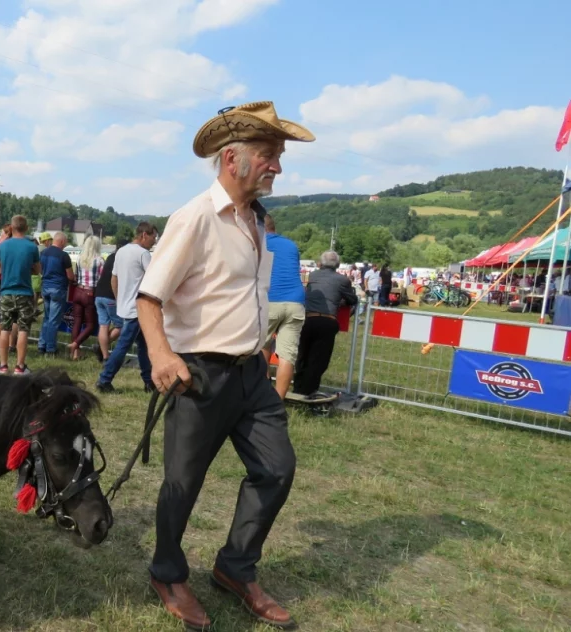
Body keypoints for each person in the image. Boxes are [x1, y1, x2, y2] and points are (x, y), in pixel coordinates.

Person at [136, 101, 312, 630]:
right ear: (231, 158)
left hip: (251, 373)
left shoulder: (254, 219)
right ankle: (167, 572)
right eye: (268, 155)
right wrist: (163, 356)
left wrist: (260, 348)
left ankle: (235, 567)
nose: (277, 166)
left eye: (278, 156)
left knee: (277, 468)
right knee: (182, 482)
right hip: (200, 375)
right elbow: (149, 297)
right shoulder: (194, 218)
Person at [95, 223, 157, 393]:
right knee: (123, 346)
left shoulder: (121, 251)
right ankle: (104, 379)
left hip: (126, 307)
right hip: (137, 309)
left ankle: (149, 381)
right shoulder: (144, 254)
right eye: (153, 237)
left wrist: (120, 299)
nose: (154, 241)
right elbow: (154, 280)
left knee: (143, 346)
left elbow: (114, 279)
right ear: (144, 234)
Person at [291, 250, 358, 400]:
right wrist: (341, 301)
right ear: (338, 264)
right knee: (319, 360)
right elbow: (352, 299)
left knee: (303, 355)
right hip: (327, 321)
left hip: (307, 319)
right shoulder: (343, 280)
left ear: (320, 263)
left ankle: (298, 388)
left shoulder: (313, 275)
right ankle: (309, 391)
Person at [262, 213, 304, 400]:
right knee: (287, 355)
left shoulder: (259, 243)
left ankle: (260, 395)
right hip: (296, 302)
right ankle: (277, 402)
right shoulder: (291, 245)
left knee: (262, 346)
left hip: (271, 300)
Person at [0, 215, 40, 375]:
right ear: (26, 228)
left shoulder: (2, 246)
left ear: (11, 228)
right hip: (25, 292)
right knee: (23, 330)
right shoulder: (32, 247)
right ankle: (20, 366)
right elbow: (37, 270)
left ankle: (3, 365)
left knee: (5, 329)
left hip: (6, 291)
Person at [37, 231, 73, 356]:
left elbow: (40, 269)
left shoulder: (43, 253)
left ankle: (42, 344)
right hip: (58, 289)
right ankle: (51, 348)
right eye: (66, 242)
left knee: (46, 318)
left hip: (45, 287)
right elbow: (70, 276)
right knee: (53, 320)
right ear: (62, 241)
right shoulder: (64, 256)